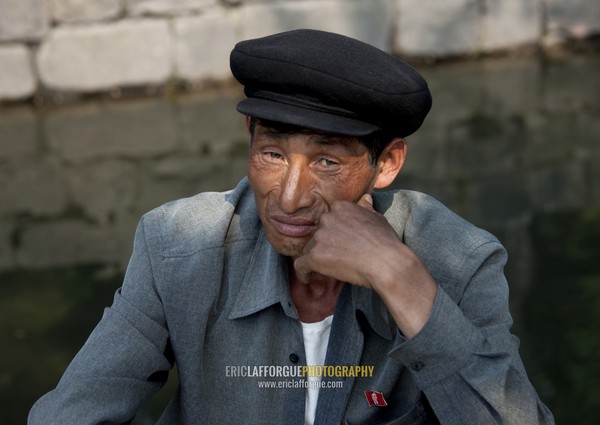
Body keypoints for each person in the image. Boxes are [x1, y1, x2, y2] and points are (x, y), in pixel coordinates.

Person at [29, 29, 555, 425]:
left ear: (388, 162)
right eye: (273, 152)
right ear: (248, 137)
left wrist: (403, 280)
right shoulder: (176, 246)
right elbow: (76, 409)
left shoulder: (459, 260)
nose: (288, 196)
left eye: (327, 162)